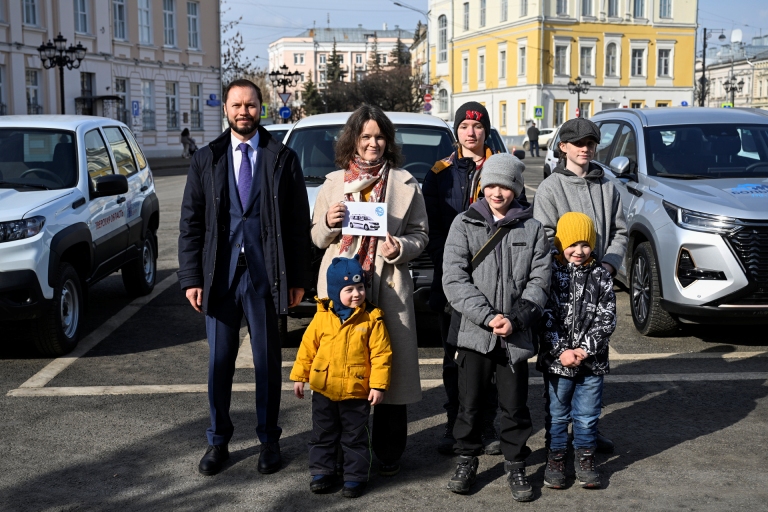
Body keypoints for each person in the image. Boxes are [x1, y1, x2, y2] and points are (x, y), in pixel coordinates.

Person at [178, 79, 311, 477]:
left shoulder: (282, 158)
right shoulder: (206, 159)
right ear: (226, 109)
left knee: (267, 363)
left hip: (265, 278)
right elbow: (191, 224)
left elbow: (297, 225)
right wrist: (190, 278)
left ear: (261, 108)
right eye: (236, 105)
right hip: (219, 278)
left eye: (251, 105)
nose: (243, 112)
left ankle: (269, 439)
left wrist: (297, 277)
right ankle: (218, 441)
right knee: (220, 362)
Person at [311, 104, 428, 477]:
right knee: (343, 373)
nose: (373, 143)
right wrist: (329, 223)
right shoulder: (332, 183)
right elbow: (315, 237)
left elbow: (421, 235)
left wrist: (402, 248)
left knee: (389, 376)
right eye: (365, 137)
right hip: (342, 290)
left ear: (387, 141)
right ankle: (344, 456)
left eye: (379, 136)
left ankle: (389, 452)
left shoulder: (406, 182)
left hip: (388, 286)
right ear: (354, 141)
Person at [442, 153, 551, 501]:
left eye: (503, 185)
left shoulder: (532, 228)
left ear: (516, 188)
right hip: (474, 332)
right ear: (482, 186)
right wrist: (488, 317)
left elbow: (540, 280)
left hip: (515, 335)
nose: (496, 192)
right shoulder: (463, 223)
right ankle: (467, 459)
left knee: (514, 405)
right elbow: (454, 279)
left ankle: (516, 464)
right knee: (469, 402)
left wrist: (515, 318)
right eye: (490, 184)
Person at [425, 101, 526, 456]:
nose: (471, 132)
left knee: (497, 358)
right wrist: (454, 265)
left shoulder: (503, 169)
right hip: (454, 281)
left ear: (486, 131)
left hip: (498, 282)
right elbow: (433, 229)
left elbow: (518, 220)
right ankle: (457, 425)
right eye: (465, 126)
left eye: (478, 126)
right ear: (457, 131)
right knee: (456, 358)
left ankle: (489, 425)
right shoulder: (439, 173)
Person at [532, 116, 627, 454]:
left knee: (591, 368)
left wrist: (608, 263)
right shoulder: (550, 188)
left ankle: (588, 428)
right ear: (563, 147)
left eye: (590, 143)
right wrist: (562, 267)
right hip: (562, 287)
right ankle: (558, 437)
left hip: (596, 283)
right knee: (560, 369)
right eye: (578, 143)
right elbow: (543, 235)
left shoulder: (607, 186)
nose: (585, 149)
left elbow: (620, 231)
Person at [291, 256, 392, 499]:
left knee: (355, 437)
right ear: (336, 292)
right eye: (349, 289)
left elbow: (381, 354)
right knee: (322, 433)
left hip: (356, 392)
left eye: (360, 287)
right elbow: (307, 349)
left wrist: (378, 385)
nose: (357, 294)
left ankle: (355, 476)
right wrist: (299, 376)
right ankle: (322, 471)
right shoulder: (322, 317)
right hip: (324, 390)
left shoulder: (372, 319)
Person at [538, 212, 616, 489]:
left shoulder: (601, 277)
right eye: (572, 244)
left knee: (587, 415)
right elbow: (545, 316)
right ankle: (556, 459)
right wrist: (561, 351)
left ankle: (585, 458)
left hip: (591, 363)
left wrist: (584, 351)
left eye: (585, 244)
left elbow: (607, 320)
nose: (579, 251)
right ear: (560, 244)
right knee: (558, 414)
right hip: (558, 362)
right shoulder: (550, 274)